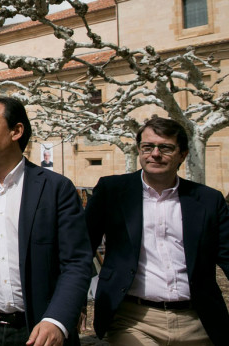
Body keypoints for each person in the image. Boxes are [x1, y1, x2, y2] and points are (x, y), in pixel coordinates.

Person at [0, 97, 92, 346]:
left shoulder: (55, 188)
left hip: (35, 329)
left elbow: (77, 262)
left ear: (16, 131)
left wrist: (57, 319)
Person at [85, 117, 229, 345]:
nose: (155, 154)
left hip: (199, 320)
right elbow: (83, 249)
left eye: (165, 148)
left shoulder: (208, 200)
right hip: (133, 320)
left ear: (182, 155)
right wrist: (72, 305)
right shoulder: (111, 191)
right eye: (148, 147)